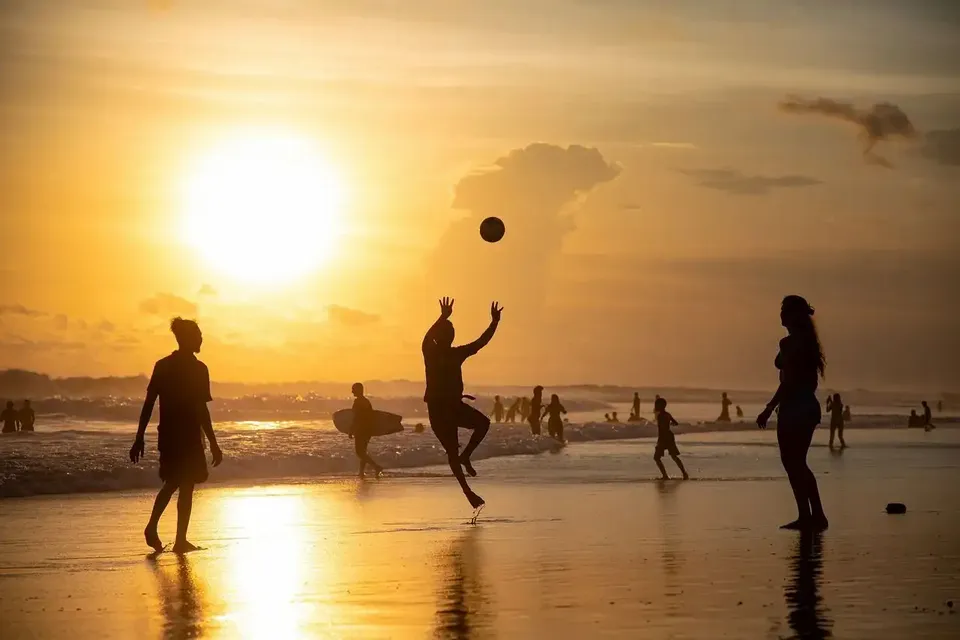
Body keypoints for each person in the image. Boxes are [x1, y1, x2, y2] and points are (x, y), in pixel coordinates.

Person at [130, 317, 223, 554]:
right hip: (185, 435)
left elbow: (150, 404)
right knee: (178, 483)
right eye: (198, 335)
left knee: (179, 483)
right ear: (187, 338)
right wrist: (212, 442)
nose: (201, 339)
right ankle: (164, 533)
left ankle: (175, 537)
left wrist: (140, 437)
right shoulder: (195, 368)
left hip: (176, 434)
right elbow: (198, 409)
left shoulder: (166, 365)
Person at [422, 297, 502, 509]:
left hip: (453, 408)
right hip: (438, 411)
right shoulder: (430, 353)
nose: (450, 335)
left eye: (451, 332)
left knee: (483, 424)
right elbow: (426, 338)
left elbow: (480, 342)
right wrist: (442, 317)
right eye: (446, 332)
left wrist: (494, 323)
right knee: (451, 452)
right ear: (441, 336)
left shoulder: (455, 353)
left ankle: (466, 456)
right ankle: (467, 491)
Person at [757, 295, 828, 531]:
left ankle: (808, 515)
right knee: (798, 463)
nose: (780, 313)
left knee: (793, 463)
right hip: (807, 405)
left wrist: (768, 408)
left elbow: (788, 381)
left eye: (784, 309)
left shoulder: (792, 344)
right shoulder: (806, 341)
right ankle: (814, 514)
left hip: (794, 407)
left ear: (793, 315)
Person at [350, 382, 383, 479]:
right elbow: (371, 416)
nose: (352, 391)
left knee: (359, 452)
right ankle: (361, 472)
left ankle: (376, 467)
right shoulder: (366, 401)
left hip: (360, 430)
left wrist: (351, 430)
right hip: (367, 430)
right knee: (363, 451)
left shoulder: (357, 402)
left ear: (358, 390)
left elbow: (355, 417)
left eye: (353, 389)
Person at [653, 397, 688, 480]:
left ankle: (665, 476)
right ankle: (684, 473)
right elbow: (675, 423)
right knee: (674, 456)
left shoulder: (660, 415)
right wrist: (669, 424)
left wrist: (660, 440)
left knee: (656, 458)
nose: (655, 406)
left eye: (656, 405)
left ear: (660, 406)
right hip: (669, 436)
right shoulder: (667, 414)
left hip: (663, 437)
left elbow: (662, 428)